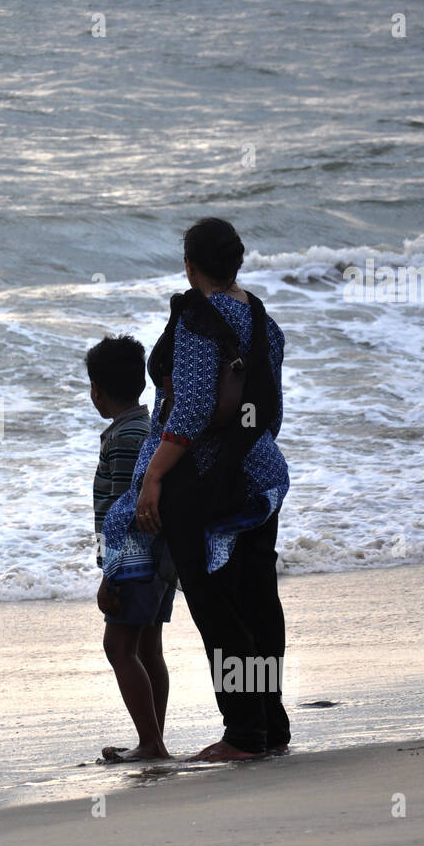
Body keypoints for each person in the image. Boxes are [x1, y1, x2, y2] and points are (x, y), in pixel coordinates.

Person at [135, 217, 291, 762]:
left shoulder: (198, 318)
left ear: (190, 266)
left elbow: (196, 407)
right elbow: (269, 410)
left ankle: (244, 734)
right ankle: (271, 724)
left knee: (215, 606)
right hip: (262, 475)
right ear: (238, 263)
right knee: (258, 600)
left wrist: (155, 474)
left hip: (205, 481)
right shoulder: (263, 320)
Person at [86, 335, 176, 762]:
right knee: (147, 648)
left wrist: (110, 575)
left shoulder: (125, 438)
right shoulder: (149, 428)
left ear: (97, 391)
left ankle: (152, 742)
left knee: (118, 647)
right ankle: (152, 739)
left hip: (134, 558)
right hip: (160, 555)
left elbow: (123, 511)